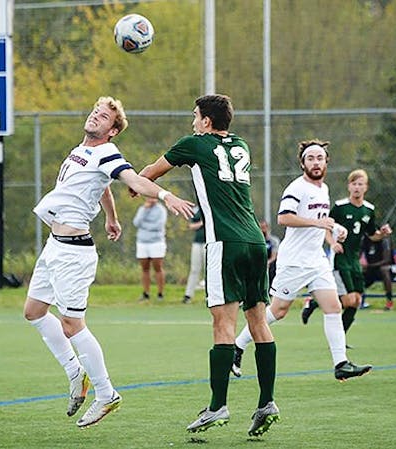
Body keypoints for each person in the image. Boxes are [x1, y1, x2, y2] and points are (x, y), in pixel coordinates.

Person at [23, 96, 193, 429]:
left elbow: (133, 179)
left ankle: (106, 393)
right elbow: (102, 184)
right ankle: (76, 373)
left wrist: (164, 194)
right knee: (34, 312)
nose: (96, 117)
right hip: (54, 246)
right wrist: (111, 218)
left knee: (72, 325)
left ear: (112, 131)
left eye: (104, 117)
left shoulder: (107, 152)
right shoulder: (82, 151)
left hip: (74, 253)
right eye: (95, 112)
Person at [136, 94, 279, 437]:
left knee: (222, 325)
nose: (192, 121)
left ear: (206, 122)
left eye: (195, 116)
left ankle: (217, 407)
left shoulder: (194, 144)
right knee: (258, 323)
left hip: (224, 242)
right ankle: (267, 402)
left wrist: (137, 185)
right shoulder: (241, 144)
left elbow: (149, 174)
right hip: (256, 241)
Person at [231, 140, 372, 383]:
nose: (315, 163)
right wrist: (319, 224)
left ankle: (341, 364)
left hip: (316, 260)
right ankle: (237, 346)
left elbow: (320, 217)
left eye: (320, 158)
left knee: (334, 307)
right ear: (302, 163)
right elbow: (284, 218)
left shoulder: (323, 189)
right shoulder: (297, 187)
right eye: (310, 158)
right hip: (294, 262)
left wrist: (335, 228)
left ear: (326, 162)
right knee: (278, 311)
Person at [301, 169, 392, 336]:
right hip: (340, 259)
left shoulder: (368, 210)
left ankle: (338, 336)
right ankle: (315, 305)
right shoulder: (340, 207)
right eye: (354, 184)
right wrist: (333, 243)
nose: (357, 187)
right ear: (349, 186)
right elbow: (326, 227)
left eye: (361, 184)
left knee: (356, 301)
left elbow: (373, 235)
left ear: (366, 187)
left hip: (354, 260)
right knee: (348, 300)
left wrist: (382, 233)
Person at [133, 197, 168, 301]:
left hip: (156, 242)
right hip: (142, 242)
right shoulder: (142, 209)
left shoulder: (161, 210)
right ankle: (146, 293)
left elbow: (158, 226)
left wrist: (144, 226)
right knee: (145, 268)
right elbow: (136, 222)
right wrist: (145, 210)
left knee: (158, 267)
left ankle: (160, 293)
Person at [360, 234, 395, 310]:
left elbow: (387, 260)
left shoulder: (385, 241)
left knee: (384, 271)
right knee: (358, 274)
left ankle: (389, 301)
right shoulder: (365, 241)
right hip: (371, 269)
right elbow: (359, 255)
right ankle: (359, 301)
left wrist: (370, 266)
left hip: (388, 268)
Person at [183, 206, 206, 304]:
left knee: (210, 270)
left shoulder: (214, 205)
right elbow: (191, 225)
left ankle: (211, 296)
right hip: (197, 242)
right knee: (194, 269)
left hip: (210, 243)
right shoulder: (196, 209)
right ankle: (188, 295)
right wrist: (201, 223)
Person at [259, 220, 280, 288]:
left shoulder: (274, 240)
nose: (262, 230)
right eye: (261, 228)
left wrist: (267, 262)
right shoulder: (257, 241)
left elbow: (274, 256)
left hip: (270, 262)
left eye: (264, 227)